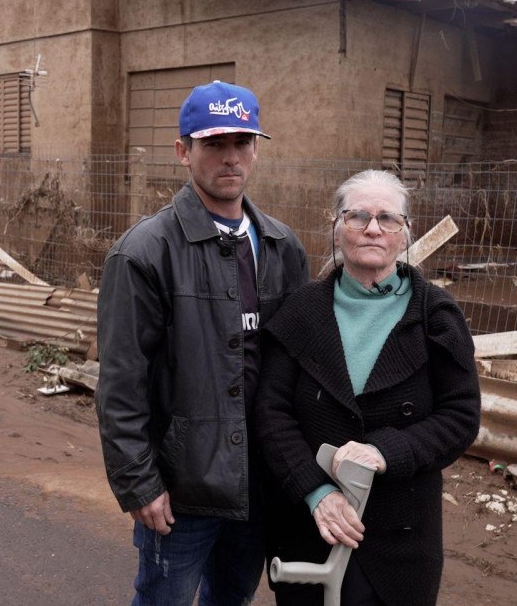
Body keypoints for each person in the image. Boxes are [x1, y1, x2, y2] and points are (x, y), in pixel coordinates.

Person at [96, 80, 310, 604]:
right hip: (181, 488)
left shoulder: (282, 246)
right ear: (183, 151)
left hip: (257, 481)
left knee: (232, 598)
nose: (230, 157)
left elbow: (298, 366)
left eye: (241, 142)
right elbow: (122, 381)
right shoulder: (144, 252)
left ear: (256, 150)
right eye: (214, 143)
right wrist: (139, 483)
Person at [256, 169, 481, 605]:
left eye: (388, 218)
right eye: (358, 216)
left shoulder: (436, 316)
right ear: (336, 227)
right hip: (310, 528)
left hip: (401, 541)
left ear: (405, 232)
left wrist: (383, 451)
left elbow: (460, 417)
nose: (373, 229)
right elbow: (271, 413)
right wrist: (316, 492)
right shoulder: (300, 312)